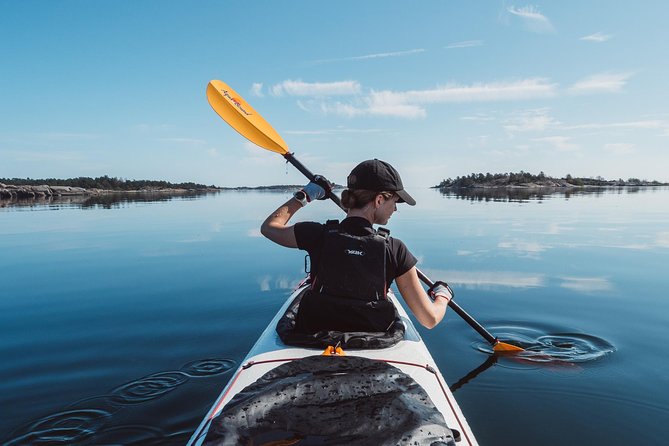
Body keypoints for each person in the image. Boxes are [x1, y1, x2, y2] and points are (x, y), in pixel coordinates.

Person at [260, 159, 452, 333]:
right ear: (379, 200)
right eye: (394, 201)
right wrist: (443, 294)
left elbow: (269, 228)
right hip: (374, 343)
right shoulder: (395, 249)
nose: (395, 208)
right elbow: (430, 319)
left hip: (313, 337)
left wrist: (307, 195)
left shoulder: (317, 235)